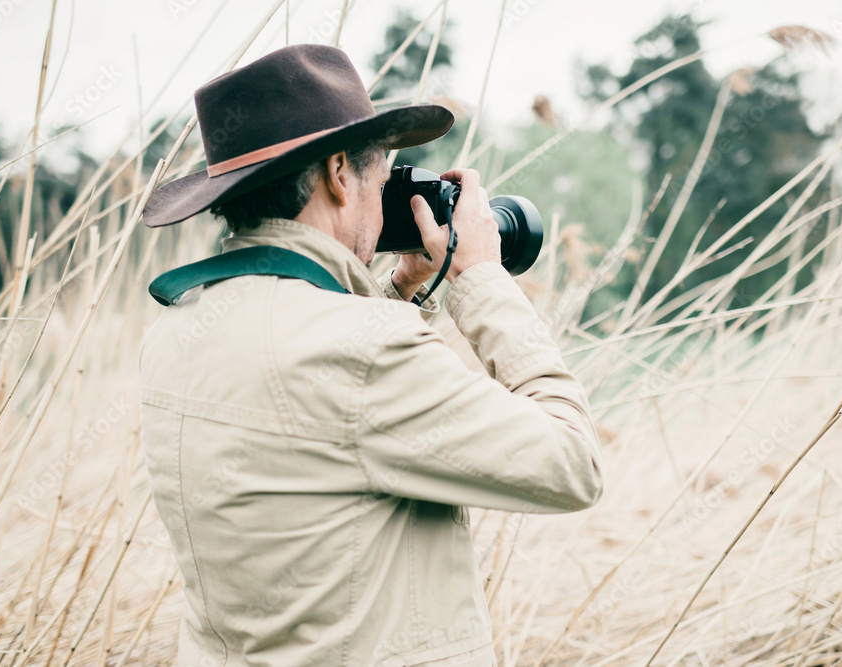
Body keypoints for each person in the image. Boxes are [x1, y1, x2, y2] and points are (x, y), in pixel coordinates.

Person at [138, 44, 603, 667]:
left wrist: (399, 290)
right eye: (381, 181)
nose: (383, 203)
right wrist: (483, 281)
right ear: (338, 174)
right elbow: (571, 465)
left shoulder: (178, 328)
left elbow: (320, 437)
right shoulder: (361, 349)